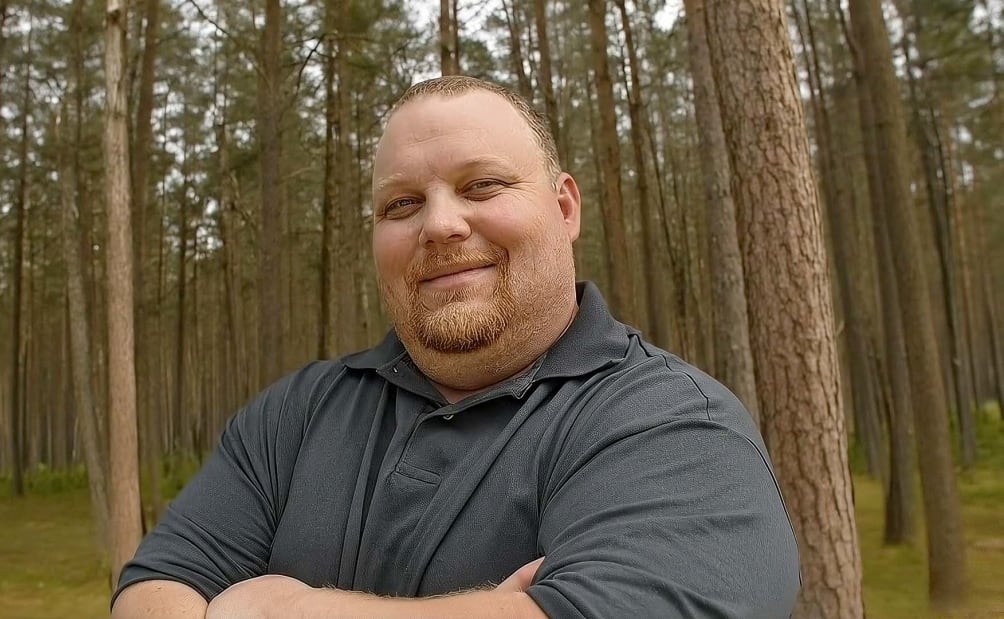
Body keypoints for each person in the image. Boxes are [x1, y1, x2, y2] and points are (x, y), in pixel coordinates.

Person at [111, 76, 799, 619]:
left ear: (564, 209)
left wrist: (280, 609)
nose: (440, 224)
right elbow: (155, 587)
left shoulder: (673, 423)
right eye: (402, 204)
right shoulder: (293, 414)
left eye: (482, 186)